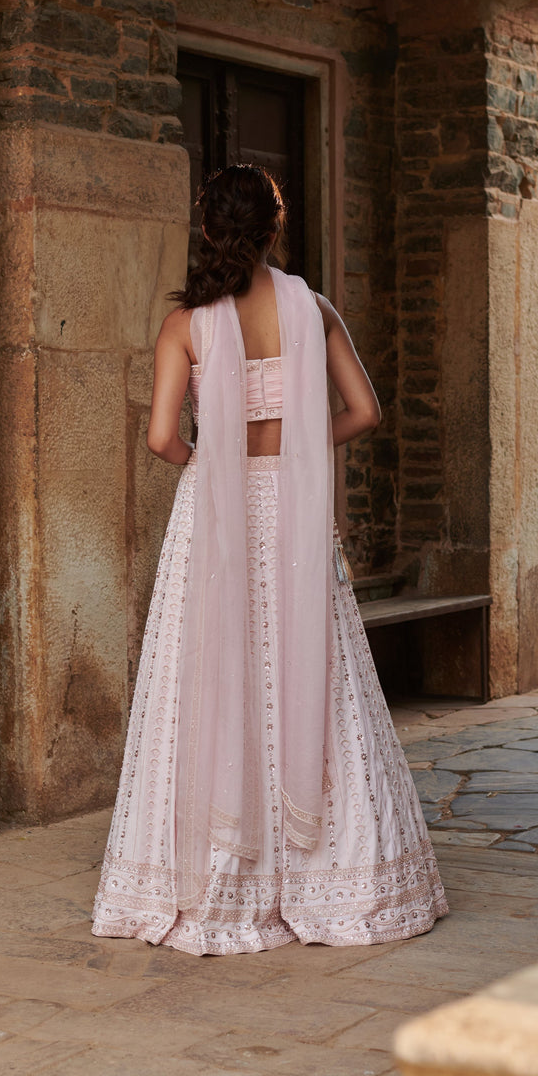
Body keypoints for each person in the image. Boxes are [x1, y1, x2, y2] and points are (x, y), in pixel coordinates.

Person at [91, 163, 447, 955]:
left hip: (213, 511)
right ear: (273, 229)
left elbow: (158, 439)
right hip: (290, 506)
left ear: (208, 229)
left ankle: (217, 877)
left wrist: (208, 458)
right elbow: (365, 411)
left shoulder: (187, 325)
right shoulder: (311, 308)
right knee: (311, 666)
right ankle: (338, 876)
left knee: (208, 671)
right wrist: (298, 449)